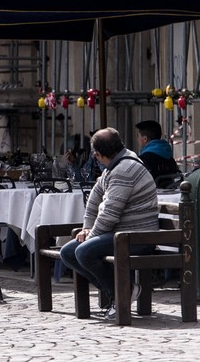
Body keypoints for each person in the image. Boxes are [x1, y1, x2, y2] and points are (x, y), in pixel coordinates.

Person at [59, 127, 158, 321]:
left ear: (98, 155)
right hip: (120, 233)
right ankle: (124, 290)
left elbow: (110, 215)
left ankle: (120, 296)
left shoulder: (123, 170)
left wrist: (91, 235)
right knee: (68, 252)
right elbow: (94, 199)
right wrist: (87, 227)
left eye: (95, 155)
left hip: (138, 235)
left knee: (83, 251)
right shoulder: (116, 164)